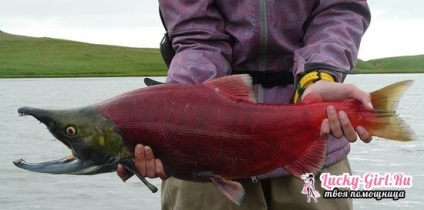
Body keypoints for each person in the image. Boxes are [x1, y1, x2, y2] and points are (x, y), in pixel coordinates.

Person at [118, 1, 372, 209]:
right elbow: (196, 37)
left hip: (312, 146)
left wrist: (318, 76)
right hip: (204, 159)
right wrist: (171, 130)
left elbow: (340, 10)